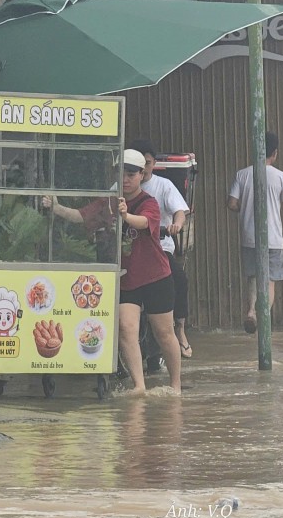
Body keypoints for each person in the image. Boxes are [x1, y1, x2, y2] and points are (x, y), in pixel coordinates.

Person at [42, 149, 182, 395]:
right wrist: (56, 207)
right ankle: (139, 386)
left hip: (156, 276)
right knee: (126, 328)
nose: (125, 179)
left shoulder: (148, 202)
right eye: (121, 174)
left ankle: (175, 386)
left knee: (164, 332)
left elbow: (144, 222)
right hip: (126, 278)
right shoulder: (107, 202)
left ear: (141, 175)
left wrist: (126, 215)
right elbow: (80, 216)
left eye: (131, 174)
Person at [227, 132, 283, 334]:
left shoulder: (242, 174)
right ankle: (260, 316)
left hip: (249, 237)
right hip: (272, 238)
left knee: (253, 276)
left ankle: (251, 311)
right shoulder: (281, 177)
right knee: (270, 279)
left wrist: (245, 209)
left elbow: (231, 203)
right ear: (274, 153)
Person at [129, 139, 193, 359]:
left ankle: (180, 329)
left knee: (179, 280)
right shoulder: (121, 188)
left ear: (152, 164)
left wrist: (177, 224)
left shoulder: (163, 186)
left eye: (147, 164)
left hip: (158, 248)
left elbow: (179, 211)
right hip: (129, 250)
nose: (143, 169)